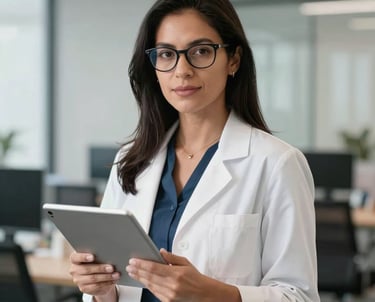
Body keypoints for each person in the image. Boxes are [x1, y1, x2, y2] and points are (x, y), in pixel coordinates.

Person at [70, 0, 320, 301]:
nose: (182, 70)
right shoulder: (131, 160)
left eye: (201, 51)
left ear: (234, 60)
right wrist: (100, 288)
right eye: (166, 54)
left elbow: (300, 296)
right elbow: (116, 288)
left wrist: (214, 294)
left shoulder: (277, 163)